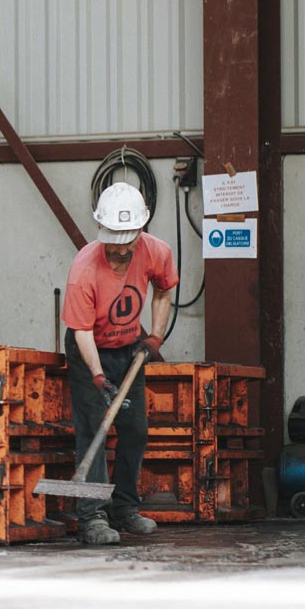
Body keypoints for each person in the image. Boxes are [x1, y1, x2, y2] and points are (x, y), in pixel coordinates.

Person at [60, 181, 178, 545]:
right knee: (94, 428)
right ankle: (92, 517)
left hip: (130, 349)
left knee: (135, 429)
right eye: (115, 238)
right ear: (103, 232)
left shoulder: (157, 251)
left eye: (129, 237)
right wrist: (97, 376)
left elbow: (163, 289)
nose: (122, 246)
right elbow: (80, 332)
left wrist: (154, 337)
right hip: (89, 351)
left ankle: (124, 508)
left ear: (141, 229)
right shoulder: (84, 268)